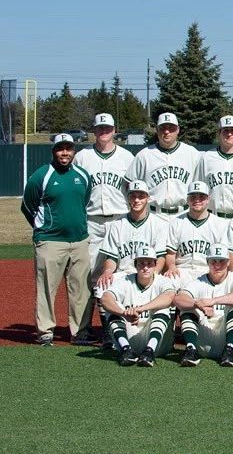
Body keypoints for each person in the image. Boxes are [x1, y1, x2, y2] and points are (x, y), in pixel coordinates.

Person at [21, 133, 95, 346]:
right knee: (46, 288)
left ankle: (80, 332)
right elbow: (28, 206)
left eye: (68, 148)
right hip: (50, 241)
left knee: (81, 289)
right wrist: (43, 228)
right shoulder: (41, 176)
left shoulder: (82, 175)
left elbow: (85, 200)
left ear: (74, 151)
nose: (65, 153)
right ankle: (45, 332)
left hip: (79, 240)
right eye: (60, 149)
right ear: (53, 151)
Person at [73, 113, 134, 332]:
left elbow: (132, 191)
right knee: (89, 275)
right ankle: (84, 327)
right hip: (92, 221)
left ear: (114, 130)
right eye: (100, 128)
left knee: (123, 272)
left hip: (119, 220)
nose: (104, 132)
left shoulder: (126, 157)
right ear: (94, 130)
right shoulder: (82, 157)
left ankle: (118, 326)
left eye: (107, 128)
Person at [95, 181, 168, 342]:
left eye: (141, 196)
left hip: (148, 273)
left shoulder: (158, 224)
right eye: (133, 196)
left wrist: (153, 275)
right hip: (125, 273)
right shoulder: (117, 225)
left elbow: (161, 257)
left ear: (148, 199)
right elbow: (112, 257)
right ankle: (108, 332)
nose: (136, 200)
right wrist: (108, 271)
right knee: (102, 286)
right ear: (128, 198)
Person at [174, 243, 233, 367]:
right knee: (186, 308)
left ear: (228, 262)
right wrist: (197, 304)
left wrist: (213, 301)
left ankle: (229, 349)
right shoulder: (199, 281)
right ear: (207, 262)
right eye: (213, 261)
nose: (217, 265)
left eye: (221, 261)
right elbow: (179, 299)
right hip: (204, 344)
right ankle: (191, 349)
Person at [100, 246, 176, 366]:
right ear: (135, 265)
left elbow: (169, 297)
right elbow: (105, 299)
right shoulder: (125, 281)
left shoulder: (162, 281)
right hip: (130, 337)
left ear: (155, 265)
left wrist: (140, 309)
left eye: (149, 263)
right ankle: (126, 349)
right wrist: (123, 313)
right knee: (113, 309)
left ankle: (149, 351)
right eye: (141, 263)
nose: (145, 268)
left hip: (159, 344)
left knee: (163, 308)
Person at [125, 113, 200, 222]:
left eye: (171, 128)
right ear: (157, 130)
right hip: (154, 216)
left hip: (184, 215)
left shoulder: (192, 154)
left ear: (178, 129)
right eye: (163, 128)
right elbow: (128, 185)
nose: (166, 131)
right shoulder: (144, 155)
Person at [164, 181, 229, 290]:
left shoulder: (219, 224)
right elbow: (170, 254)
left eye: (201, 197)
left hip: (208, 270)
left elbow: (224, 257)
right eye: (193, 197)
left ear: (208, 199)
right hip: (182, 270)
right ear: (187, 199)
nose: (197, 200)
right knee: (167, 283)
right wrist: (171, 266)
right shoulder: (176, 223)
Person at [196, 115, 233, 219]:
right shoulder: (207, 157)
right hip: (213, 217)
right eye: (225, 130)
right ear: (219, 133)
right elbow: (200, 189)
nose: (229, 134)